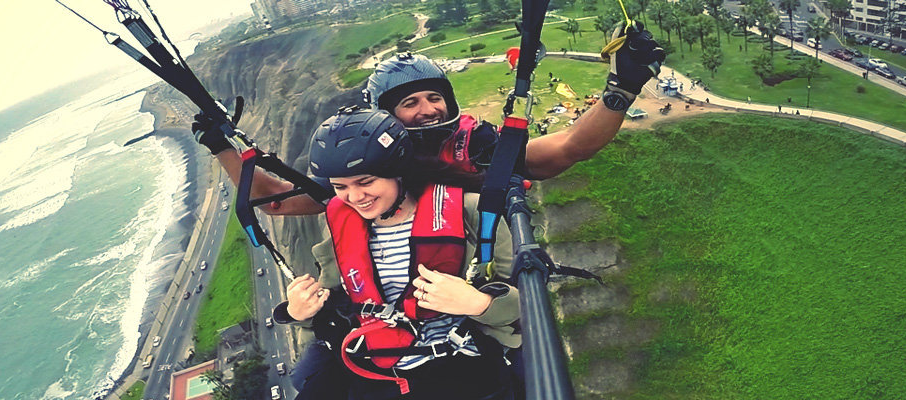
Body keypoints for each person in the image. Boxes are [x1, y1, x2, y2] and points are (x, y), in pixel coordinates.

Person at [191, 22, 665, 217]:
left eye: (432, 97)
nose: (428, 109)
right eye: (410, 103)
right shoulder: (358, 156)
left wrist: (620, 93)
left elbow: (566, 150)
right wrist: (222, 148)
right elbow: (276, 202)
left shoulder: (473, 142)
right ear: (386, 114)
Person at [273, 108, 520, 399]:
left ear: (397, 171)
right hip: (373, 365)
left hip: (456, 361)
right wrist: (298, 312)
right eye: (340, 187)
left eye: (365, 182)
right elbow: (335, 303)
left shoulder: (469, 212)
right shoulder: (342, 225)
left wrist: (478, 302)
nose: (354, 197)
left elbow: (523, 301)